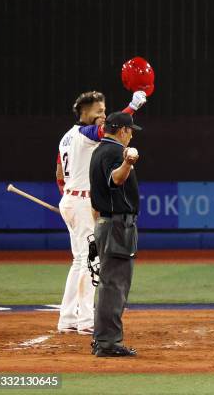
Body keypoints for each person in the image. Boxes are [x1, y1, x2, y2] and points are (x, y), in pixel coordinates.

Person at [56, 90, 146, 335]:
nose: (103, 117)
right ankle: (85, 319)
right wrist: (132, 106)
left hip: (73, 199)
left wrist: (68, 197)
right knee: (90, 261)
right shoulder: (84, 132)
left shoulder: (66, 137)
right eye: (99, 112)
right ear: (84, 113)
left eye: (104, 112)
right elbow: (108, 131)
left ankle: (67, 318)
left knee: (79, 261)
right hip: (81, 202)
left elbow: (58, 174)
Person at [89, 111, 143, 357]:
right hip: (117, 226)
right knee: (115, 285)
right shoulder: (114, 152)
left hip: (106, 223)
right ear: (122, 130)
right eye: (130, 130)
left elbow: (96, 197)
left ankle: (101, 338)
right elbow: (115, 180)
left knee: (109, 283)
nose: (131, 135)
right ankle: (107, 342)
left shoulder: (99, 150)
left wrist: (98, 227)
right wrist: (128, 163)